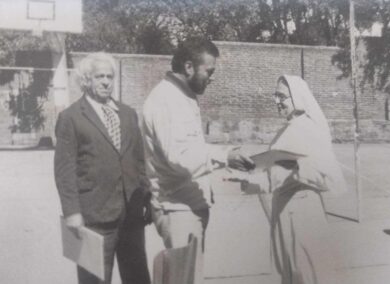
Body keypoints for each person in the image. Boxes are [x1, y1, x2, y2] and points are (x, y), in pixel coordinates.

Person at [142, 37, 254, 283]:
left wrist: (224, 154)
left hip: (188, 207)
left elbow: (191, 146)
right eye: (209, 71)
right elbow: (178, 156)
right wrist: (225, 157)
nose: (211, 78)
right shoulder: (165, 100)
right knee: (182, 279)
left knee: (190, 277)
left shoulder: (182, 96)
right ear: (189, 67)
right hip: (177, 209)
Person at [54, 52, 151, 284]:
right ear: (87, 80)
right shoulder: (71, 117)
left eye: (109, 76)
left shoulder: (128, 114)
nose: (106, 81)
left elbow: (139, 161)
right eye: (99, 77)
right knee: (93, 280)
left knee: (138, 278)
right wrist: (72, 212)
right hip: (93, 218)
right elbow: (64, 170)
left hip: (131, 216)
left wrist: (147, 198)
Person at [258, 75, 347, 284]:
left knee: (307, 272)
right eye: (275, 95)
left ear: (297, 97)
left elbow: (328, 176)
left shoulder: (309, 129)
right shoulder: (286, 129)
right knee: (289, 273)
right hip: (283, 212)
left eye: (281, 96)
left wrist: (296, 169)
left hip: (303, 214)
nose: (276, 101)